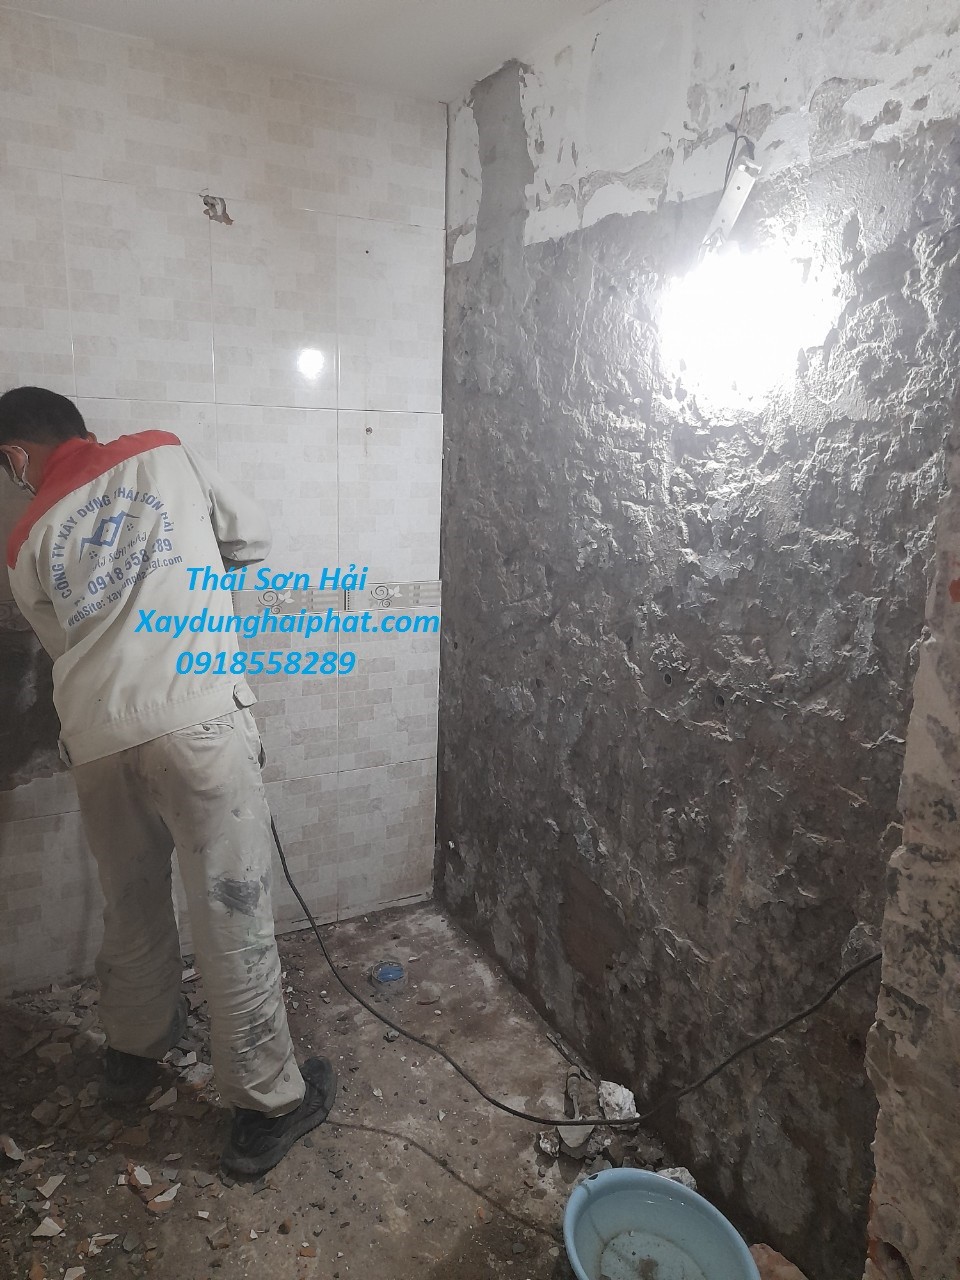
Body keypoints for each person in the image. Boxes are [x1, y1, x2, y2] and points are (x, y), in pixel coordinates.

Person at [0, 386, 336, 1177]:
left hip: (98, 740)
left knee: (132, 901)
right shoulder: (160, 452)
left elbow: (64, 642)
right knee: (231, 909)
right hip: (196, 723)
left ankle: (132, 1055)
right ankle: (266, 1107)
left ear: (16, 457)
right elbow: (249, 537)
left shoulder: (24, 539)